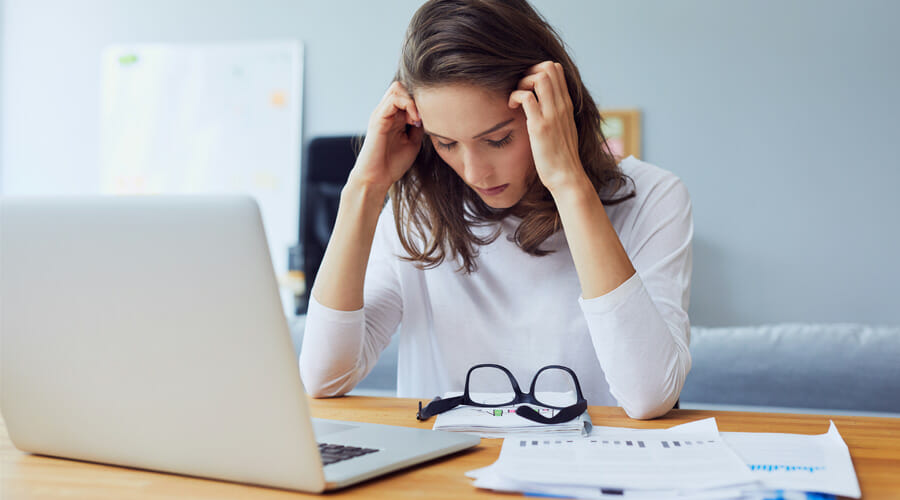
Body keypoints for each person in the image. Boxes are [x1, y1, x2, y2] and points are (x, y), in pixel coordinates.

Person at [299, 0, 692, 420]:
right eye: (446, 143)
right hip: (447, 478)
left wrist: (569, 185)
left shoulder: (653, 196)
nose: (474, 171)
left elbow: (649, 396)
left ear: (552, 109)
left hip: (585, 476)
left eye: (499, 139)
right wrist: (364, 188)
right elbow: (324, 377)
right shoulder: (418, 213)